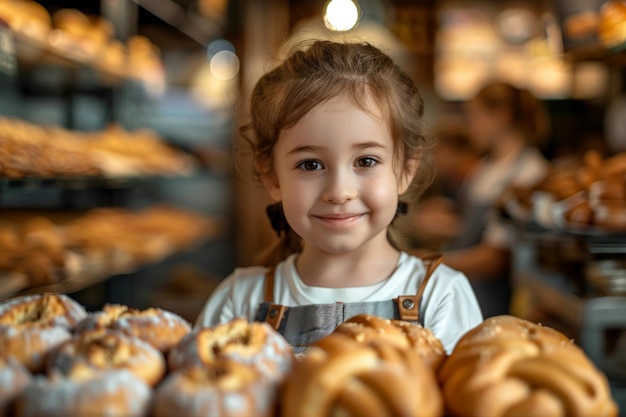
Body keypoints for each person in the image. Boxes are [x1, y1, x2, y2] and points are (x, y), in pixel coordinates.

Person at [195, 40, 482, 354]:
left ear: (405, 169)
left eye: (366, 161)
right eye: (310, 164)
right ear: (272, 176)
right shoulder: (239, 300)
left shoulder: (441, 294)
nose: (339, 192)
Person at [408, 82, 550, 318]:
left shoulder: (528, 173)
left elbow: (497, 259)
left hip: (492, 302)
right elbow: (475, 228)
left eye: (474, 116)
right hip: (463, 290)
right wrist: (445, 223)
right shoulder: (486, 166)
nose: (469, 126)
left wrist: (429, 262)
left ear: (500, 116)